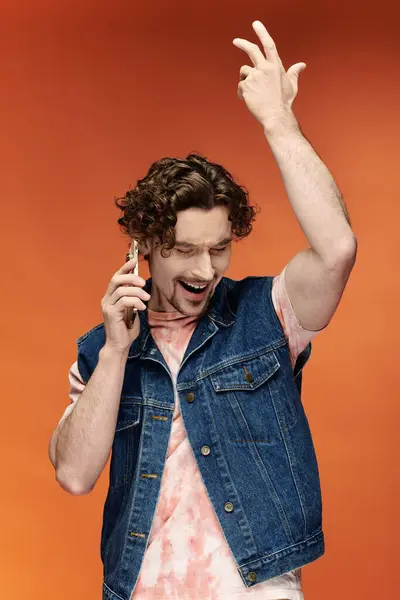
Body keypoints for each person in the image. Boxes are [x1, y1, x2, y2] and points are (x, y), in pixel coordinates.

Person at [48, 21, 357, 600]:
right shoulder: (101, 349)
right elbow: (73, 476)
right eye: (186, 250)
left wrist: (279, 123)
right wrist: (117, 351)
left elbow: (338, 249)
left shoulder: (268, 314)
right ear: (143, 245)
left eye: (219, 248)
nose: (206, 269)